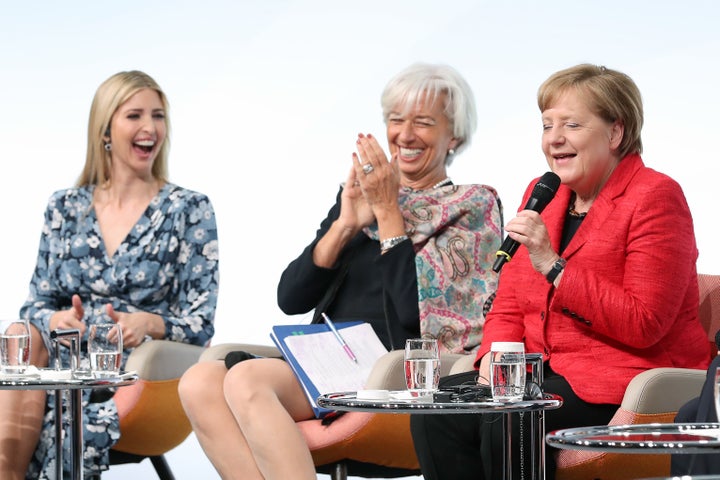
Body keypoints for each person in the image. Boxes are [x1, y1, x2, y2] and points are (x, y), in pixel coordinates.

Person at [178, 62, 503, 479]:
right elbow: (291, 298)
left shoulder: (471, 205)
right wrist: (346, 223)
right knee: (198, 382)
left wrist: (388, 212)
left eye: (423, 122)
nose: (404, 135)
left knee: (246, 381)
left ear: (452, 136)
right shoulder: (361, 198)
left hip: (398, 370)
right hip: (328, 359)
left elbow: (413, 320)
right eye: (395, 119)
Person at [410, 63, 712, 480]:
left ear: (615, 132)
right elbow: (510, 305)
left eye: (571, 124)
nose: (554, 138)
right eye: (547, 124)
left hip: (624, 381)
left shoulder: (655, 197)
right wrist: (493, 361)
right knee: (440, 410)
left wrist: (554, 266)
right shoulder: (545, 193)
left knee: (512, 416)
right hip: (539, 377)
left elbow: (645, 322)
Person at [0, 70, 219, 479]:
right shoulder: (64, 207)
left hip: (134, 372)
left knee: (57, 414)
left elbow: (201, 324)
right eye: (134, 115)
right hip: (63, 362)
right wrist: (56, 319)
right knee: (23, 333)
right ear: (105, 129)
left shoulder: (189, 209)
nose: (150, 128)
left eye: (158, 116)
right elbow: (35, 303)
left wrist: (150, 323)